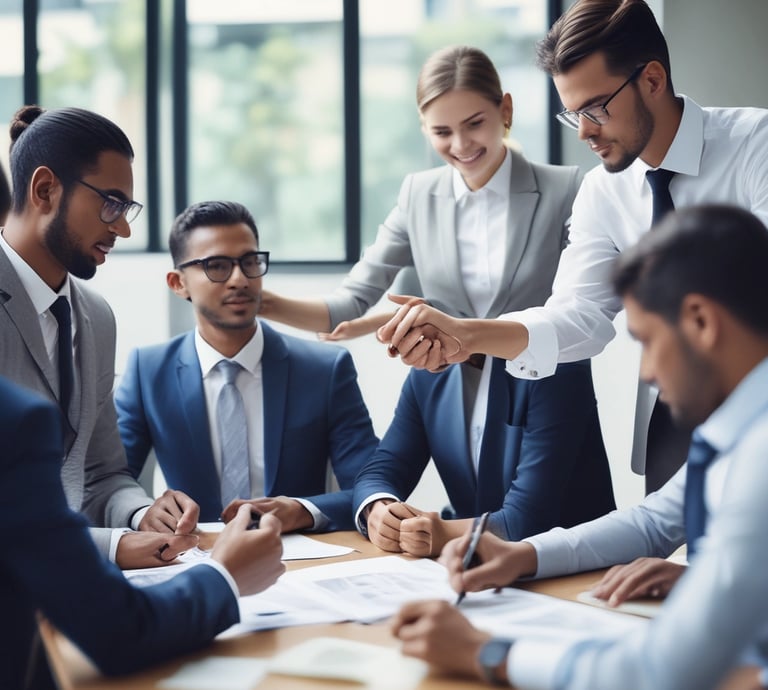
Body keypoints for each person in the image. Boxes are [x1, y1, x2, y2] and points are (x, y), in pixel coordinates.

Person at [378, 0, 768, 495]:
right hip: (673, 435)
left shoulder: (757, 146)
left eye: (597, 108)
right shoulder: (603, 191)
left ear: (652, 79)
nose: (584, 131)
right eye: (572, 114)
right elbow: (577, 317)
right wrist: (466, 337)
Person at [391, 204, 768, 690]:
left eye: (648, 341)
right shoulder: (739, 429)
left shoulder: (759, 455)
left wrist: (485, 652)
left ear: (700, 320)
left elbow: (660, 672)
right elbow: (655, 520)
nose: (648, 372)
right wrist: (523, 555)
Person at [258, 44, 581, 340]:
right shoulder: (417, 196)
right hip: (446, 385)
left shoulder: (565, 190)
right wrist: (259, 302)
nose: (460, 145)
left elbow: (578, 313)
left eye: (474, 124)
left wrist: (421, 319)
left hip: (543, 389)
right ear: (425, 128)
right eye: (442, 131)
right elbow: (350, 302)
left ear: (505, 110)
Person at [0, 105, 201, 568]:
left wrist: (140, 512)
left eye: (127, 208)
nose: (123, 228)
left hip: (63, 598)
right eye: (111, 203)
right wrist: (109, 547)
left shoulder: (95, 316)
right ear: (45, 189)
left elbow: (100, 472)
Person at [0, 374, 285, 690]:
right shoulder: (13, 419)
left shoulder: (94, 325)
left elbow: (103, 473)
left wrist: (142, 514)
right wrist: (225, 576)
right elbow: (116, 630)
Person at [114, 200, 379, 530]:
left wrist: (300, 510)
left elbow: (372, 487)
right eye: (217, 265)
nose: (240, 279)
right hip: (193, 558)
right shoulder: (148, 371)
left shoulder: (324, 369)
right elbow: (111, 479)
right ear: (178, 283)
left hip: (301, 559)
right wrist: (144, 511)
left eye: (250, 262)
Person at [354, 356, 615, 557]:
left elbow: (527, 521)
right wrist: (378, 508)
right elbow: (382, 470)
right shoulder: (427, 375)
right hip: (474, 573)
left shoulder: (558, 366)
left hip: (575, 571)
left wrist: (445, 533)